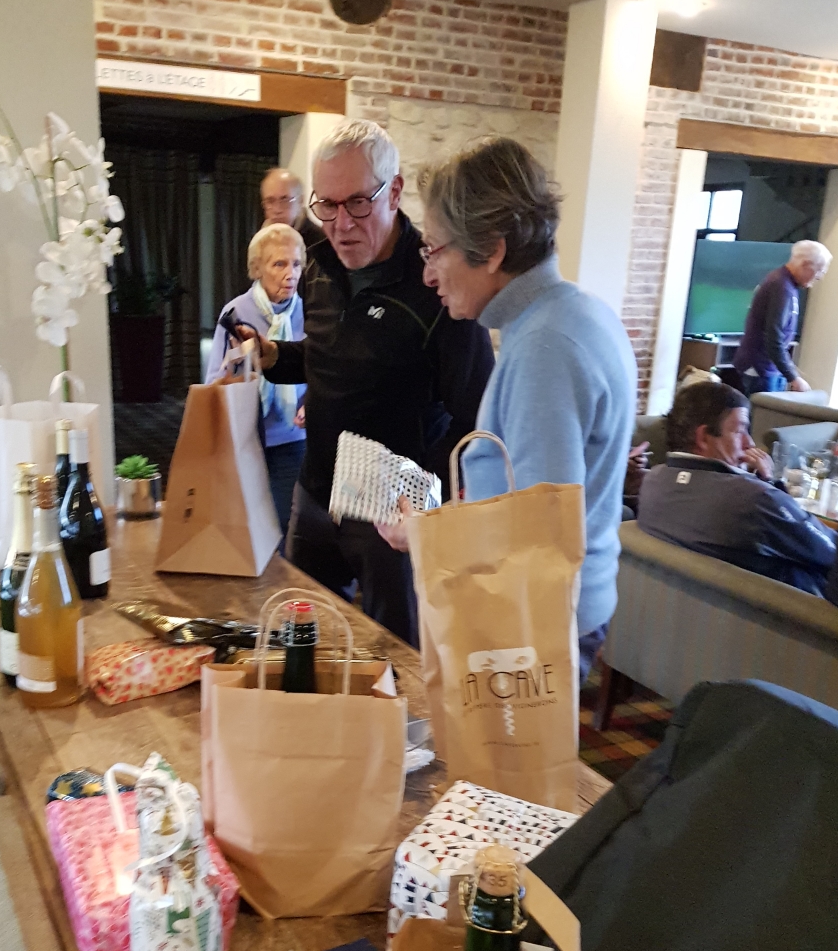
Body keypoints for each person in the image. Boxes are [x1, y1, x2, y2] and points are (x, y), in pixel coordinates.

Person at [376, 135, 636, 684]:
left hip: (536, 625)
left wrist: (422, 535)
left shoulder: (544, 347)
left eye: (434, 250)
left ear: (493, 251)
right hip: (559, 610)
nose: (428, 275)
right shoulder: (573, 314)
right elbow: (534, 498)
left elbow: (536, 538)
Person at [239, 121, 494, 647]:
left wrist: (421, 493)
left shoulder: (437, 283)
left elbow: (477, 417)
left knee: (393, 657)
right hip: (315, 494)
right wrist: (275, 356)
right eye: (326, 205)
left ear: (394, 191)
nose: (340, 224)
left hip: (390, 518)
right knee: (300, 644)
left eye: (357, 203)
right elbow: (327, 357)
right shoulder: (319, 266)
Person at [636, 378, 836, 595]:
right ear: (703, 438)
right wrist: (768, 482)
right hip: (798, 609)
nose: (750, 443)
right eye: (740, 430)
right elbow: (832, 551)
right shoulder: (754, 499)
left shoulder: (653, 481)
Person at [205, 222, 307, 542]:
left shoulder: (310, 311)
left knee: (284, 530)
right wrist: (238, 369)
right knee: (247, 532)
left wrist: (310, 402)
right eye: (279, 264)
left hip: (292, 439)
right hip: (247, 439)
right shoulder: (237, 311)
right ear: (257, 269)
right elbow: (213, 382)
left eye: (296, 264)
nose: (290, 274)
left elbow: (321, 371)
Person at [732, 239, 832, 396]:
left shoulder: (786, 284)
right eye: (819, 271)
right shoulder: (781, 286)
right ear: (805, 265)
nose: (819, 277)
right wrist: (793, 377)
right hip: (760, 369)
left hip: (766, 368)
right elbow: (774, 337)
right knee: (764, 412)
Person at [260, 167, 325, 251]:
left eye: (285, 200)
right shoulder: (260, 241)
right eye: (270, 201)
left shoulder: (321, 242)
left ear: (301, 201)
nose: (277, 209)